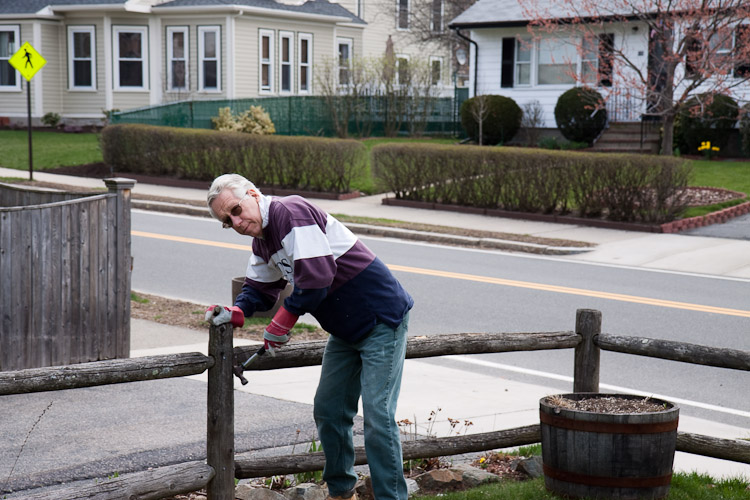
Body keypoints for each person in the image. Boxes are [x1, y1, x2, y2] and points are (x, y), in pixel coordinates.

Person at [205, 173, 413, 500]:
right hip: (346, 331)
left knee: (378, 418)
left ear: (253, 194)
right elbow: (259, 287)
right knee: (329, 410)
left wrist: (284, 320)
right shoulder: (263, 240)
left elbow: (318, 278)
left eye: (235, 209)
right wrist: (238, 311)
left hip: (380, 319)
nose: (236, 221)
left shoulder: (291, 213)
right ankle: (342, 492)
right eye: (227, 222)